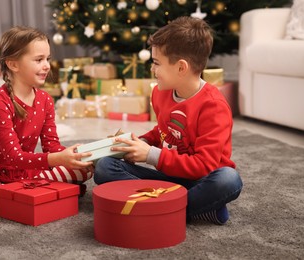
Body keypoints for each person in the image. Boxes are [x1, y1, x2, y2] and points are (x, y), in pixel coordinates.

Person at [94, 16, 243, 225]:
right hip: (170, 179)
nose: (152, 70)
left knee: (228, 180)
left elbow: (203, 165)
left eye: (156, 63)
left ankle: (161, 208)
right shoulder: (160, 93)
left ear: (181, 68)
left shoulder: (213, 106)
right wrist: (140, 144)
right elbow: (163, 131)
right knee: (105, 166)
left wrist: (150, 155)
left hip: (201, 180)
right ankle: (189, 208)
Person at [0, 26, 93, 210]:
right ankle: (33, 192)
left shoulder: (45, 100)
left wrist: (75, 156)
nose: (47, 65)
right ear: (13, 64)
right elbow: (13, 157)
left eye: (48, 59)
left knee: (83, 169)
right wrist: (58, 159)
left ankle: (20, 194)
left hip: (27, 171)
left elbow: (51, 146)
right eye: (39, 60)